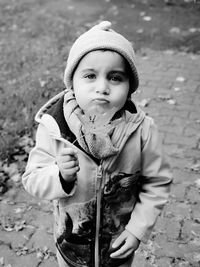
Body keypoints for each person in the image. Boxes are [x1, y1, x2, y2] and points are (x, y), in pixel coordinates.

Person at [22, 21, 172, 267]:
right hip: (70, 247)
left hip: (118, 248)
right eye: (90, 76)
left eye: (115, 78)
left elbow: (157, 183)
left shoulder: (143, 131)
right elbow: (32, 179)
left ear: (129, 88)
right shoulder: (54, 128)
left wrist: (136, 230)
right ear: (73, 83)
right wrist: (60, 176)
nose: (102, 88)